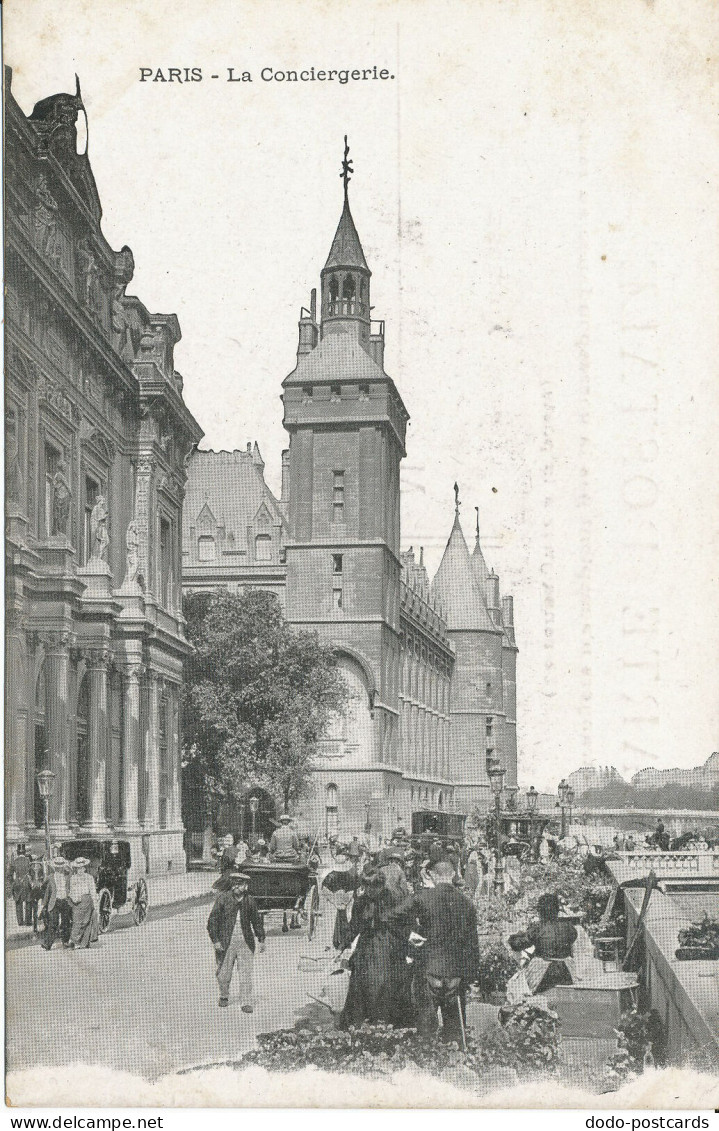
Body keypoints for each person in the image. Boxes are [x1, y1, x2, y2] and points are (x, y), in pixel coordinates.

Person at [391, 859, 480, 1043]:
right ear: (454, 875)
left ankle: (427, 1061)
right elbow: (473, 943)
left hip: (428, 969)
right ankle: (455, 1064)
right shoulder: (467, 903)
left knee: (426, 1028)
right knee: (455, 1031)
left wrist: (409, 935)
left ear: (432, 875)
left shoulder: (423, 897)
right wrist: (470, 976)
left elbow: (391, 916)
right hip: (455, 973)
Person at [339, 866, 412, 1031]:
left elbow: (406, 926)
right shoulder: (362, 901)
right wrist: (345, 943)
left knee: (386, 983)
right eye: (367, 887)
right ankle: (361, 1023)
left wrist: (411, 947)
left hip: (389, 945)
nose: (370, 891)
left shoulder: (393, 899)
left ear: (381, 885)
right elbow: (355, 925)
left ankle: (386, 1022)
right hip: (367, 946)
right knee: (362, 982)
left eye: (374, 887)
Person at [207, 871, 265, 1010]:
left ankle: (245, 1001)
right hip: (226, 940)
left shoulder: (249, 900)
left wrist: (261, 939)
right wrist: (216, 940)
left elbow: (257, 921)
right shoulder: (223, 899)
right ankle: (224, 995)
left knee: (245, 972)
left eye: (240, 885)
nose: (237, 887)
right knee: (224, 973)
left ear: (246, 886)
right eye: (235, 884)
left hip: (245, 941)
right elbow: (212, 921)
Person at [508, 892, 577, 994]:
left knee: (518, 986)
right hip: (566, 971)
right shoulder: (569, 927)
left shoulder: (538, 927)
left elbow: (518, 945)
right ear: (557, 910)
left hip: (543, 973)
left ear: (540, 911)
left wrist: (513, 937)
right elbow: (572, 939)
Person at [40, 856, 72, 950]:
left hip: (65, 901)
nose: (59, 869)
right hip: (54, 902)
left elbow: (72, 884)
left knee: (66, 923)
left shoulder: (68, 876)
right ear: (55, 867)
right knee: (53, 923)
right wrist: (43, 904)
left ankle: (65, 942)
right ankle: (47, 944)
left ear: (63, 867)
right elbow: (45, 890)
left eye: (61, 866)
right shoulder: (50, 877)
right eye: (57, 867)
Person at [68, 858, 99, 949]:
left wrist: (95, 902)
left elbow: (92, 890)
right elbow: (71, 889)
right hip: (76, 901)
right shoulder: (73, 878)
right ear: (76, 869)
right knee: (77, 921)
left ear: (84, 868)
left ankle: (83, 943)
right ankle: (74, 940)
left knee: (86, 922)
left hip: (86, 900)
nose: (80, 870)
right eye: (78, 868)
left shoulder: (89, 877)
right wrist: (74, 897)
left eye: (81, 868)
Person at [8, 843, 33, 927]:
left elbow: (9, 875)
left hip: (17, 883)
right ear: (24, 852)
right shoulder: (28, 861)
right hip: (27, 883)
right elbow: (32, 873)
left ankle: (20, 922)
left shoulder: (14, 862)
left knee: (18, 902)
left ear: (17, 852)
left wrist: (13, 883)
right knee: (28, 902)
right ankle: (28, 921)